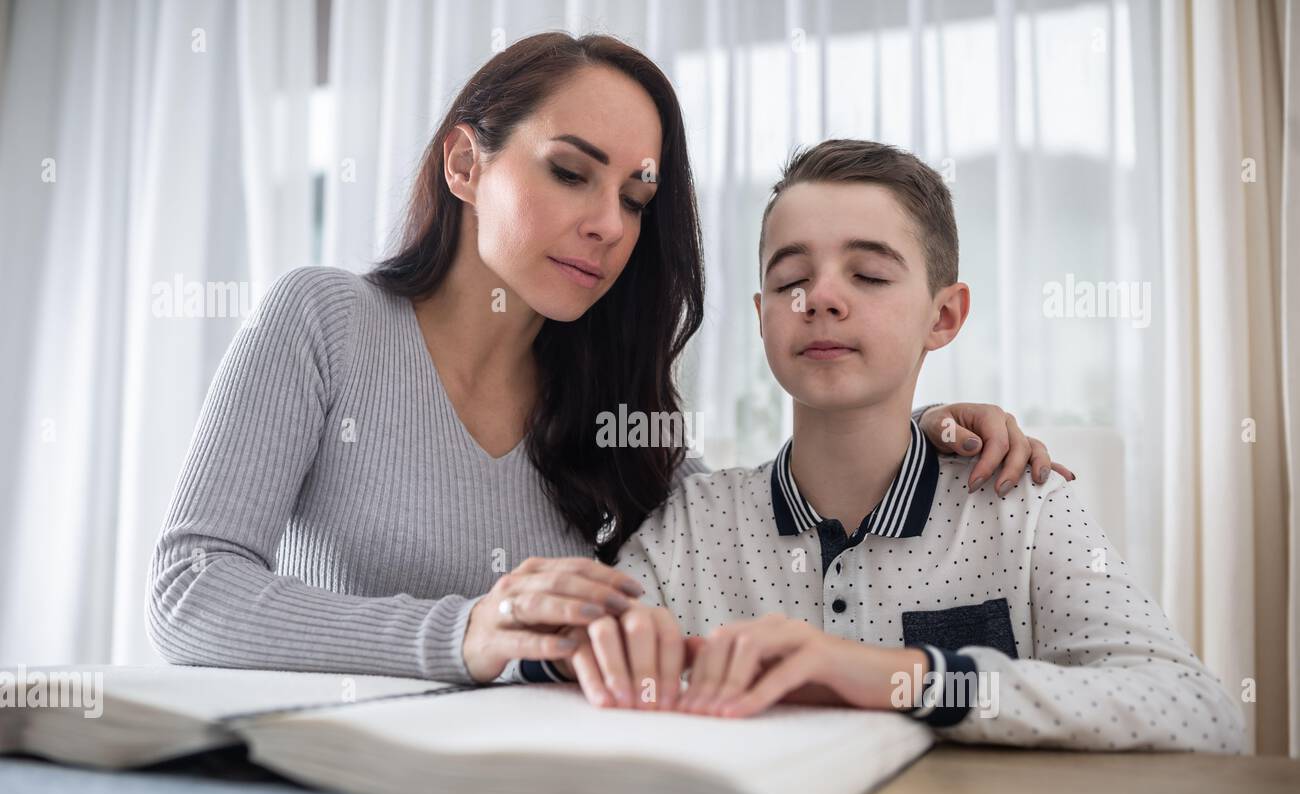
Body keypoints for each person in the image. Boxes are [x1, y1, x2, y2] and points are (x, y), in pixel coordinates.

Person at [147, 34, 1066, 687]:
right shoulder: (324, 320)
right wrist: (464, 632)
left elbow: (743, 521)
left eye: (636, 197)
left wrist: (913, 429)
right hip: (331, 781)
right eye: (570, 172)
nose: (608, 225)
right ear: (465, 165)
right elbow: (190, 592)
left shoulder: (615, 404)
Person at [569, 139, 1244, 754]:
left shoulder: (1023, 505)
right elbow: (591, 688)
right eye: (790, 280)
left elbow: (1204, 714)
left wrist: (909, 677)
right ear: (763, 314)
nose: (822, 297)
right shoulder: (689, 524)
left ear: (943, 316)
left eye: (868, 274)